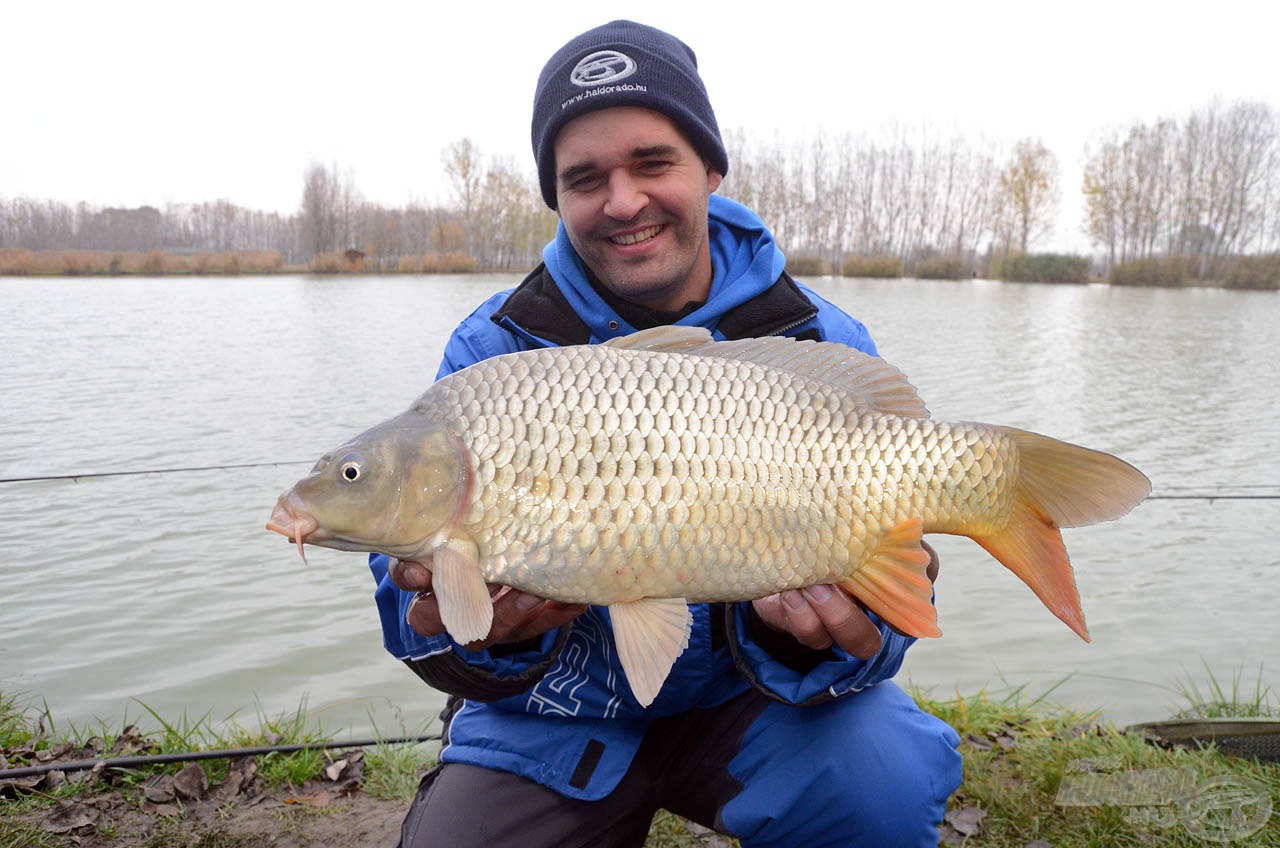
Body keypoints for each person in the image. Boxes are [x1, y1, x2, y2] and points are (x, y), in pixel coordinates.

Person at [368, 20, 962, 847]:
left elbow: (888, 622)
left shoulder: (818, 340)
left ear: (710, 168)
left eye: (652, 163)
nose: (622, 201)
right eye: (585, 178)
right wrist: (472, 633)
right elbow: (412, 616)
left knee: (884, 780)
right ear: (558, 198)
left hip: (752, 705)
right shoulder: (493, 349)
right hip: (553, 721)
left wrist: (857, 633)